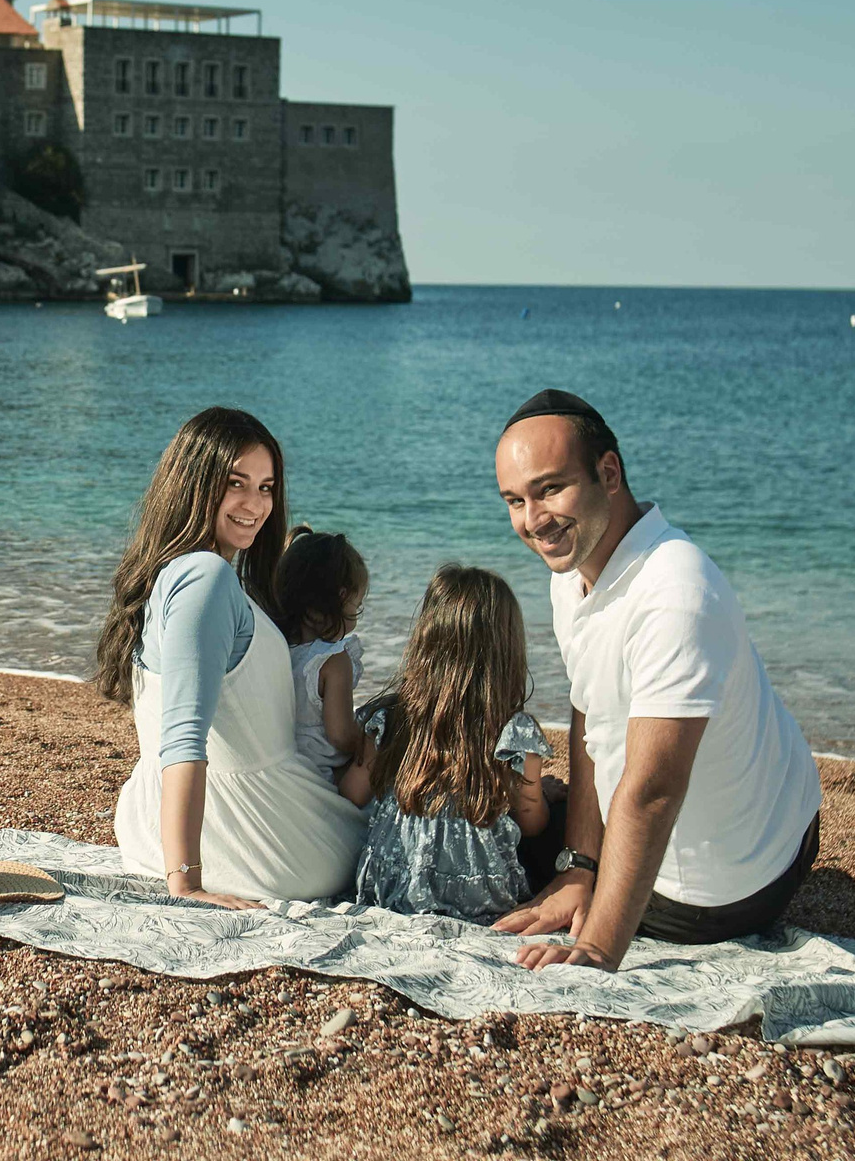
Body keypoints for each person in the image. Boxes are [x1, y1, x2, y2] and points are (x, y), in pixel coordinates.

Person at [489, 389, 823, 969]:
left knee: (503, 831)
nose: (533, 521)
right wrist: (579, 867)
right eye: (515, 500)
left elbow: (653, 791)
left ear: (609, 473)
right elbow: (589, 710)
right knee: (518, 804)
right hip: (744, 820)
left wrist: (595, 949)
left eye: (549, 490)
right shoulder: (573, 573)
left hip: (725, 891)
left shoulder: (675, 590)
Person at [96, 408, 364, 909]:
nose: (255, 504)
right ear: (195, 483)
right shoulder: (205, 577)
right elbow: (182, 736)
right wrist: (187, 885)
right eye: (236, 483)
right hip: (264, 842)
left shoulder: (184, 576)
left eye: (266, 487)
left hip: (153, 827)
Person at [347, 563, 556, 919]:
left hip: (389, 893)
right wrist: (540, 792)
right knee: (557, 824)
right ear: (507, 651)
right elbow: (532, 822)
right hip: (481, 900)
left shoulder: (389, 717)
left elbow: (353, 793)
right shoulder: (513, 732)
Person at [273, 527, 372, 804]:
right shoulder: (332, 660)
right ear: (342, 597)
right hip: (322, 773)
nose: (357, 614)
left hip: (284, 761)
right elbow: (340, 735)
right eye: (358, 605)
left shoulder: (276, 646)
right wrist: (365, 742)